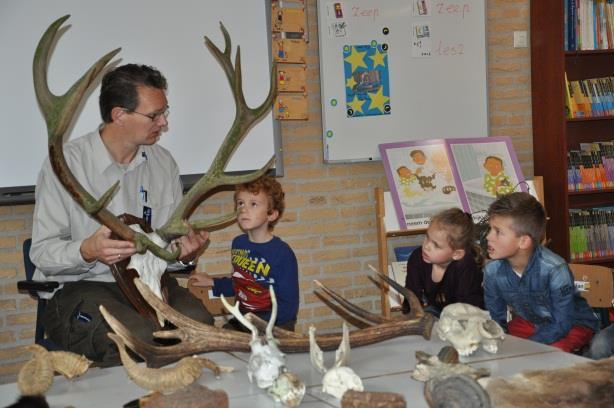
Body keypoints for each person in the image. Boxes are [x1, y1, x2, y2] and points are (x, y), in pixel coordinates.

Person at [30, 64, 214, 365]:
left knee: (201, 327)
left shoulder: (163, 163)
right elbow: (41, 253)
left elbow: (168, 249)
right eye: (154, 115)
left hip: (149, 285)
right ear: (119, 115)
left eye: (165, 112)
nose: (164, 122)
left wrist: (184, 255)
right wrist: (87, 250)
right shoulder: (64, 165)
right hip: (83, 287)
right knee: (137, 339)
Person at [483, 192, 600, 352]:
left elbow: (562, 323)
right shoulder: (492, 271)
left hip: (573, 324)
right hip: (530, 323)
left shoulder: (554, 269)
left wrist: (528, 347)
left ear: (523, 241)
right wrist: (499, 343)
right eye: (490, 229)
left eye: (498, 232)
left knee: (548, 354)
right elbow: (496, 319)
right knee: (495, 346)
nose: (488, 236)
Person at [190, 176, 299, 331]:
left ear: (271, 214)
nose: (244, 209)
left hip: (275, 324)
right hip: (244, 319)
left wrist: (255, 324)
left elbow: (288, 308)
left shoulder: (282, 253)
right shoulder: (238, 244)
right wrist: (214, 283)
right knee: (219, 340)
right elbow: (240, 283)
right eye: (240, 203)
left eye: (253, 204)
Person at [403, 208, 484, 318]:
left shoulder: (465, 265)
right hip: (437, 310)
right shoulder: (417, 257)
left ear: (456, 254)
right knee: (427, 315)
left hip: (468, 315)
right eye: (427, 237)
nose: (426, 246)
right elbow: (411, 297)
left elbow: (466, 309)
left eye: (436, 245)